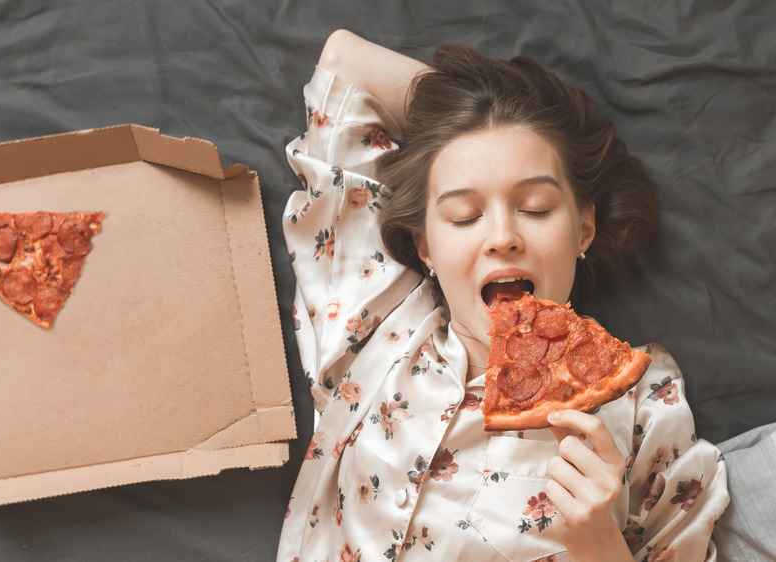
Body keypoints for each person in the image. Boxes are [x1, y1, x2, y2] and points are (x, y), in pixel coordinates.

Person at [278, 30, 728, 562]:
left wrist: (601, 546)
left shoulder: (645, 405)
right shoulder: (374, 315)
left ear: (583, 230)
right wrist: (480, 109)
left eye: (535, 207)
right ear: (425, 245)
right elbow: (345, 66)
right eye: (464, 215)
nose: (501, 236)